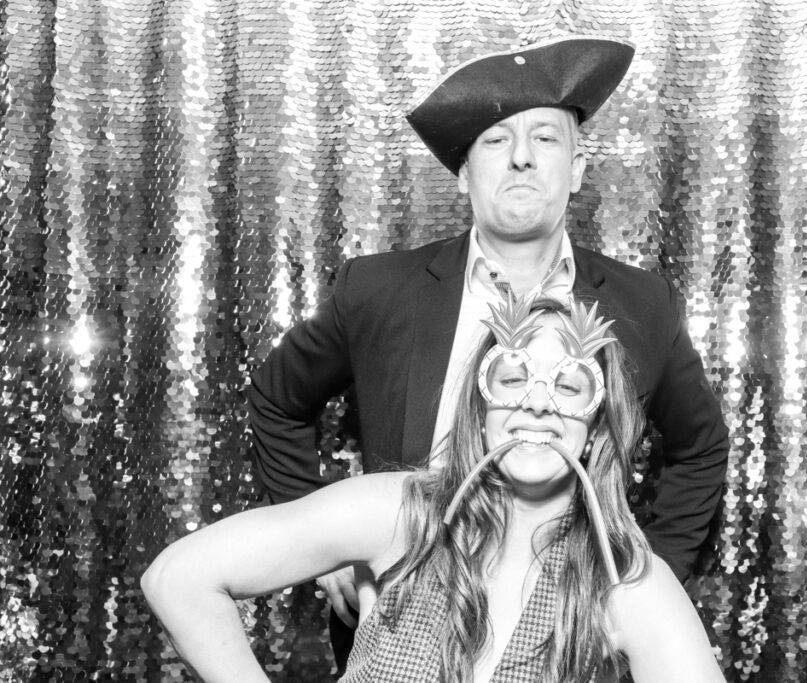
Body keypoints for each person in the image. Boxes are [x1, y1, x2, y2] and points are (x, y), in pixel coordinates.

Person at [246, 35, 730, 666]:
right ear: (464, 172)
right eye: (496, 141)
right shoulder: (375, 291)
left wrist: (641, 586)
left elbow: (701, 447)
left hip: (563, 643)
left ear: (578, 169)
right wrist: (320, 547)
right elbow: (277, 400)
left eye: (545, 139)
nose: (522, 158)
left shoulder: (644, 306)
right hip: (395, 633)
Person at [143, 296, 726, 682]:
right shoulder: (399, 512)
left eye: (569, 387)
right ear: (480, 409)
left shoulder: (625, 580)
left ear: (596, 429)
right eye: (515, 378)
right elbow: (178, 579)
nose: (537, 403)